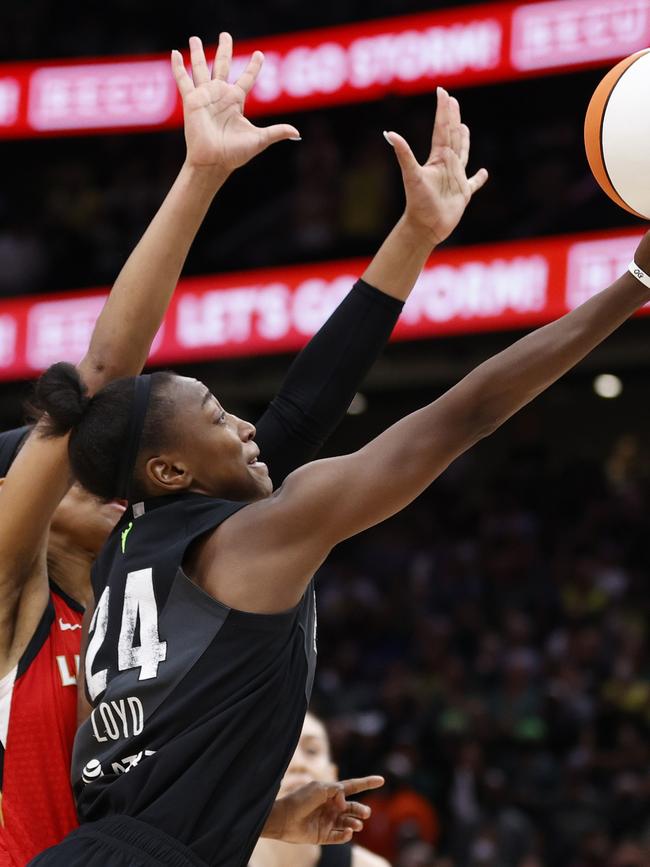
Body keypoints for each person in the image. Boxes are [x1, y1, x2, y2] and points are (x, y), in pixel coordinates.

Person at [0, 33, 482, 867]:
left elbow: (300, 415)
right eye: (82, 476)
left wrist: (414, 238)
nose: (113, 481)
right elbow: (101, 376)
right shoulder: (15, 609)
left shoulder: (155, 567)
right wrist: (199, 176)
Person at [28, 228, 650, 865]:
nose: (246, 426)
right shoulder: (254, 537)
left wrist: (259, 815)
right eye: (218, 417)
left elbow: (124, 786)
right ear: (168, 472)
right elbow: (468, 414)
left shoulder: (117, 567)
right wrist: (634, 286)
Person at [250, 711, 390, 867]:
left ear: (333, 775)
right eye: (281, 751)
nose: (298, 764)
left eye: (311, 750)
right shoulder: (219, 853)